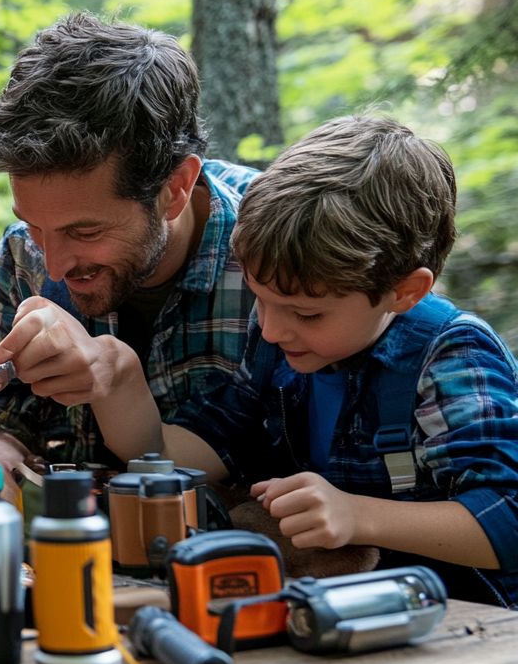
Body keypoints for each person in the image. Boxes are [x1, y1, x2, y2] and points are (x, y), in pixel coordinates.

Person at [93, 115, 518, 606]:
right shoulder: (281, 340)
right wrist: (114, 384)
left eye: (307, 313)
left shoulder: (448, 355)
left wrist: (358, 515)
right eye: (260, 299)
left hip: (464, 632)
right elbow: (201, 447)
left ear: (404, 291)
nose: (272, 328)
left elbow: (507, 515)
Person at [0, 12, 259, 495]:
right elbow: (6, 420)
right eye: (35, 224)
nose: (53, 263)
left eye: (84, 231)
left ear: (176, 188)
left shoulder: (276, 252)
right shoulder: (25, 252)